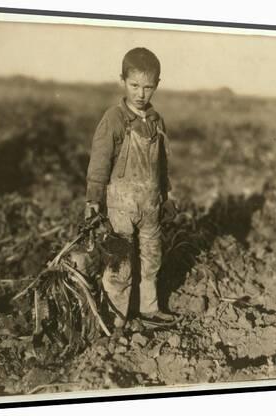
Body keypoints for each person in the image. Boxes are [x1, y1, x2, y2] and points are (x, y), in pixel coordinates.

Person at [85, 47, 176, 328]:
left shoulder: (157, 121)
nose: (140, 93)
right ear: (122, 81)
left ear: (157, 85)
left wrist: (167, 194)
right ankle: (116, 319)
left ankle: (149, 310)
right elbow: (99, 164)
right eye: (135, 85)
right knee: (120, 264)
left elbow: (163, 163)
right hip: (121, 206)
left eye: (148, 87)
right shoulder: (114, 118)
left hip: (150, 204)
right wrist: (93, 200)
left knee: (151, 258)